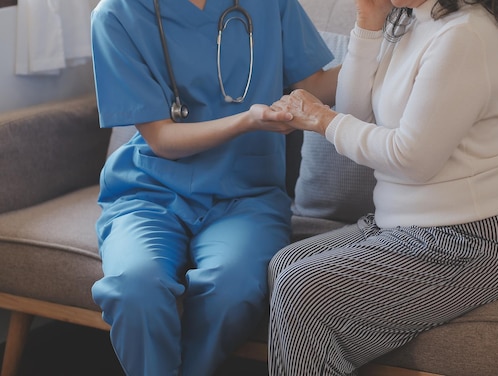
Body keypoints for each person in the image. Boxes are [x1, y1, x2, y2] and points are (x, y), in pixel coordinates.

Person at [267, 0, 498, 374]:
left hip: (476, 237)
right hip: (402, 225)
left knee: (302, 290)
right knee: (285, 263)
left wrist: (322, 118)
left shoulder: (464, 34)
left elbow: (414, 160)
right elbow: (353, 111)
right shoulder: (409, 19)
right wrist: (367, 24)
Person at [89, 0, 339, 374]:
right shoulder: (116, 14)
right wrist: (246, 120)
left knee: (233, 289)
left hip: (247, 193)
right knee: (134, 288)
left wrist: (395, 51)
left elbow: (314, 85)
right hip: (150, 192)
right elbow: (161, 139)